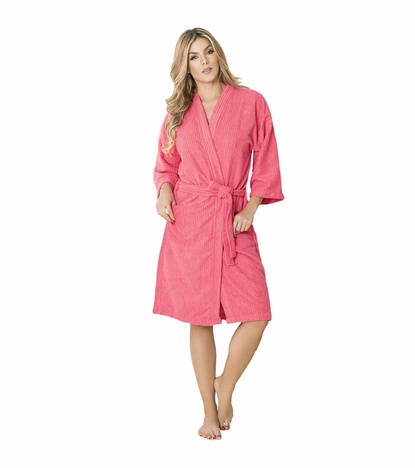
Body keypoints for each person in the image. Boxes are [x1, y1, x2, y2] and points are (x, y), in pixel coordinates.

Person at [152, 27, 284, 440]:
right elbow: (166, 167)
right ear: (185, 66)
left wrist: (250, 208)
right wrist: (164, 193)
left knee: (258, 314)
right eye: (194, 57)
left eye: (208, 51)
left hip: (232, 218)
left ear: (218, 54)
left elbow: (266, 158)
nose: (204, 61)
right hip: (190, 221)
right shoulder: (178, 113)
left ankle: (224, 383)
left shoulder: (250, 102)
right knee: (199, 317)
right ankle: (209, 413)